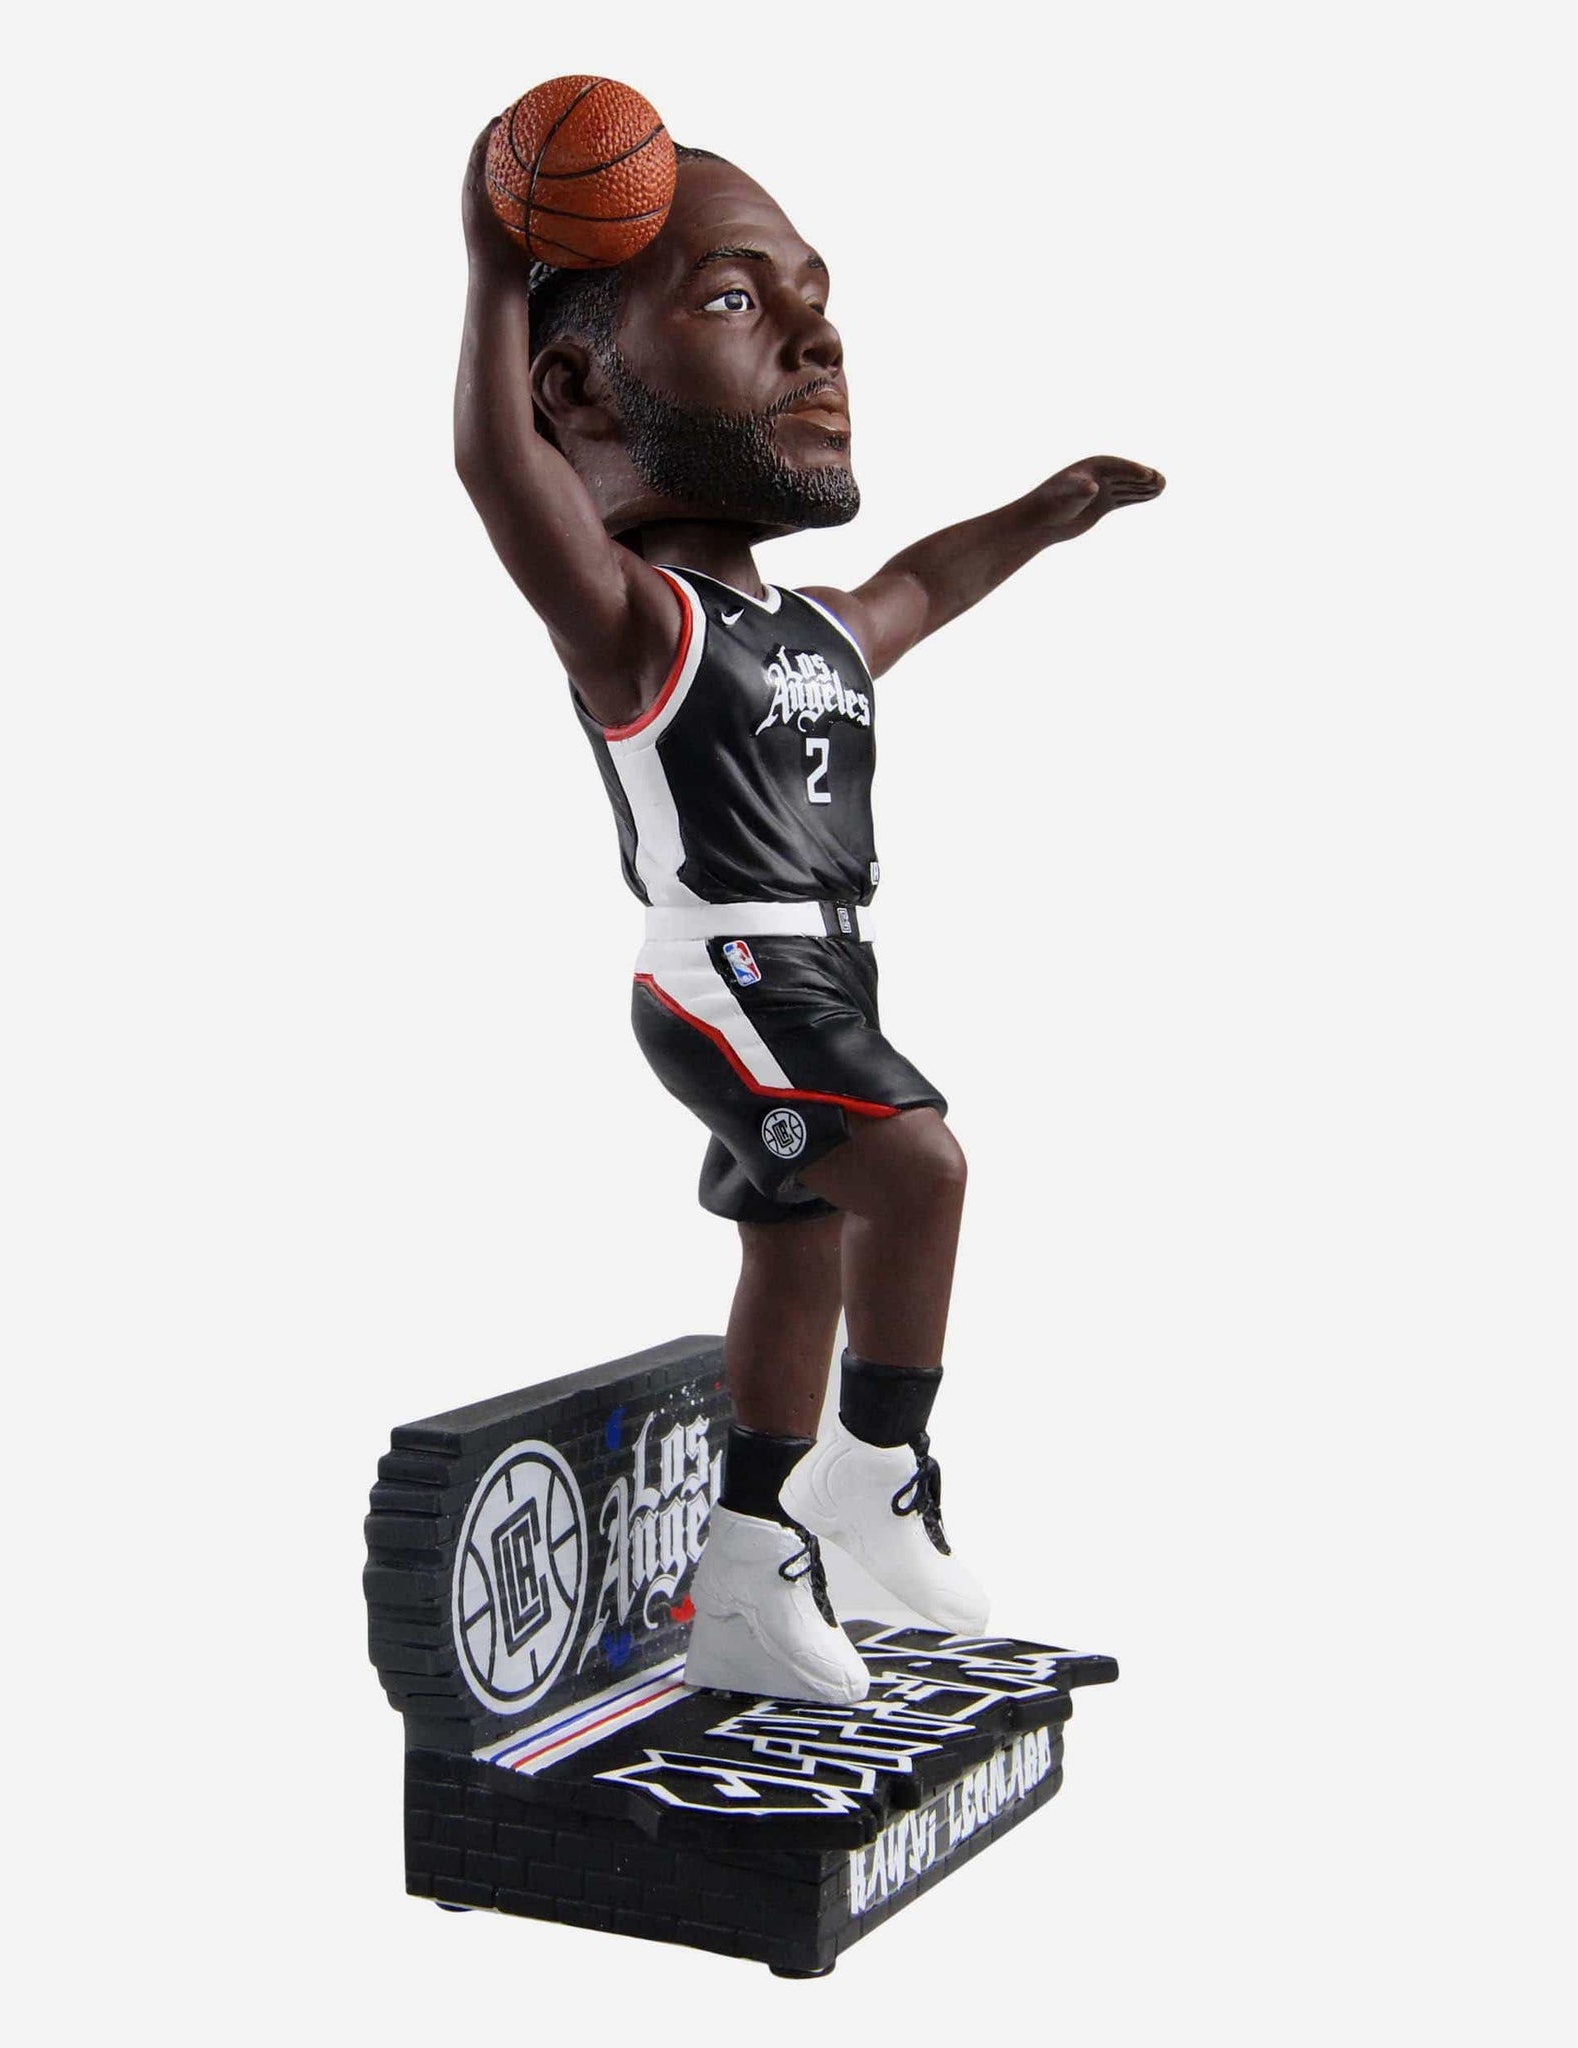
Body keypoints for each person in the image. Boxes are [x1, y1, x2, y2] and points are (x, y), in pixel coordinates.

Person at [454, 120, 1165, 1703]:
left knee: (800, 1243)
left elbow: (923, 583)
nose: (814, 334)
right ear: (575, 391)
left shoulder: (819, 627)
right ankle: (872, 1473)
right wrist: (496, 270)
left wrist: (1040, 516)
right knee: (915, 1168)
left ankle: (753, 1561)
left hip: (829, 970)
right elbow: (499, 472)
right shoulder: (636, 620)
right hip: (725, 968)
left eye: (817, 296)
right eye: (732, 298)